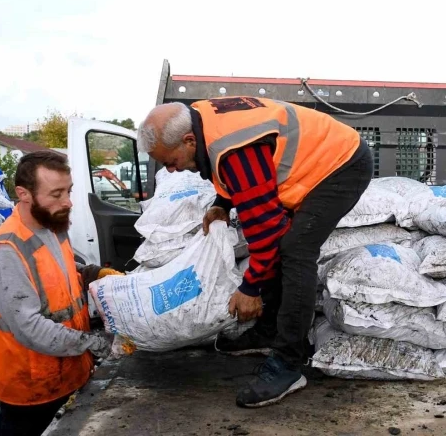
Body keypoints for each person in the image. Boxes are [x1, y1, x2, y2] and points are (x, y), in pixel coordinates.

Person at [138, 97, 373, 407]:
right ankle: (269, 331)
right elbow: (228, 168)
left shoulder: (234, 148)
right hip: (320, 161)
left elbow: (267, 231)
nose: (171, 169)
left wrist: (251, 288)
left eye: (170, 161)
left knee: (294, 250)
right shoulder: (200, 121)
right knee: (283, 245)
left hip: (343, 165)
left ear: (188, 140)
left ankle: (289, 363)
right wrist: (222, 204)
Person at [0, 151, 121, 436]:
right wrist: (92, 342)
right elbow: (29, 328)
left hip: (68, 374)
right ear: (24, 194)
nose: (67, 202)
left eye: (68, 191)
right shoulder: (6, 250)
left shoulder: (52, 226)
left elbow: (58, 273)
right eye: (56, 194)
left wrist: (92, 273)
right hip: (33, 392)